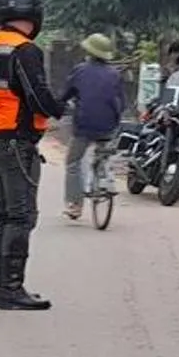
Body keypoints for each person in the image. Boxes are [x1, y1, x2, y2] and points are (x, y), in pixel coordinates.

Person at [0, 0, 63, 310]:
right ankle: (12, 289)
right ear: (34, 13)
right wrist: (59, 107)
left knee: (4, 213)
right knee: (22, 215)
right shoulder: (24, 50)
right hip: (16, 142)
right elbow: (38, 96)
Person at [61, 33, 126, 219]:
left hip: (84, 126)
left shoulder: (80, 71)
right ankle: (107, 178)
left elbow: (66, 94)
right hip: (109, 126)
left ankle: (74, 205)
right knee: (105, 152)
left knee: (73, 162)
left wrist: (60, 106)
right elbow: (122, 102)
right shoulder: (115, 74)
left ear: (89, 52)